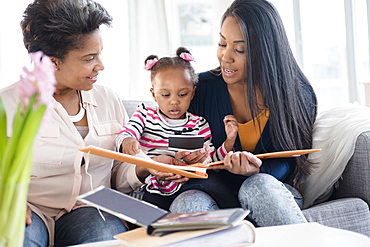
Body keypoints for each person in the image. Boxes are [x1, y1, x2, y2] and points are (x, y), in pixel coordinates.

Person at [0, 0, 185, 246]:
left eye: (99, 54)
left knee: (103, 237)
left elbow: (119, 173)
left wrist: (147, 166)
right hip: (33, 211)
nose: (101, 65)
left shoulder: (108, 100)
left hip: (92, 209)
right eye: (89, 58)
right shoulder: (9, 105)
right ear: (52, 61)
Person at [169, 0, 317, 227]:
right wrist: (185, 159)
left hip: (271, 189)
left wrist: (258, 169)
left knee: (257, 186)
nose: (225, 57)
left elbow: (290, 158)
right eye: (222, 44)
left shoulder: (297, 94)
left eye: (239, 49)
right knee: (188, 203)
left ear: (267, 52)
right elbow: (175, 137)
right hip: (212, 190)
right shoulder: (199, 89)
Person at [117, 47, 235, 210]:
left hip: (191, 182)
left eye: (182, 94)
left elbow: (213, 159)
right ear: (153, 94)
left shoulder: (198, 124)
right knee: (148, 214)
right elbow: (125, 133)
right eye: (166, 95)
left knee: (214, 182)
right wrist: (128, 139)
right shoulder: (145, 114)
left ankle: (238, 214)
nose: (174, 101)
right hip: (156, 183)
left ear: (192, 93)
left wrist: (228, 143)